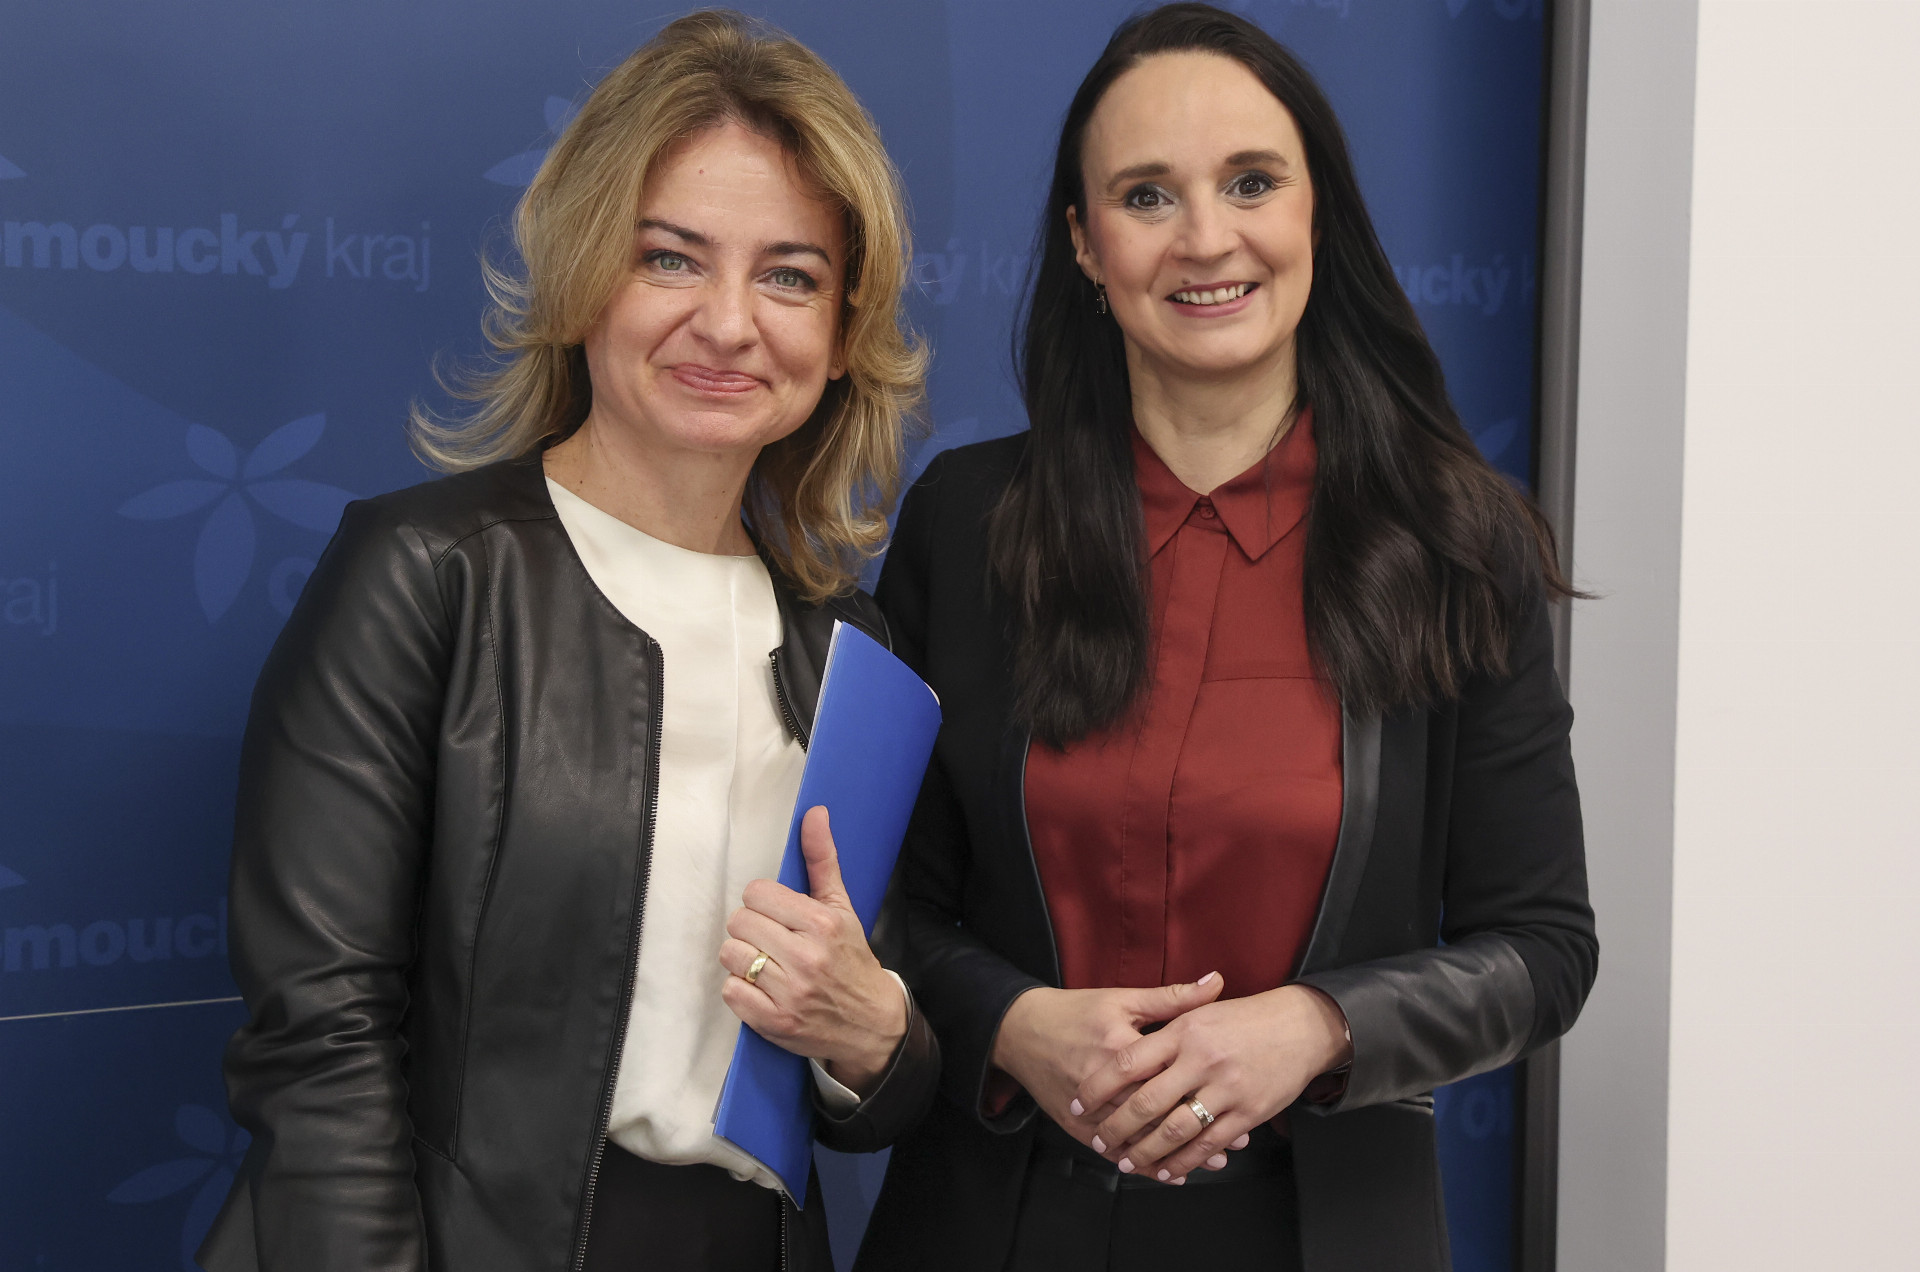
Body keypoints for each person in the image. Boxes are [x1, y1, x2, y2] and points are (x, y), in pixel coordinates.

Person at [858, 5, 1596, 1271]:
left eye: (1252, 182)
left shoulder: (1456, 543)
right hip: (991, 1224)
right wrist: (1018, 1023)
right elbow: (883, 903)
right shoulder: (967, 525)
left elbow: (1544, 947)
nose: (1206, 238)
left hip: (1322, 1231)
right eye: (1147, 195)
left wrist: (1317, 1026)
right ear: (1085, 244)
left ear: (1319, 214)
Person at [198, 12, 937, 1272]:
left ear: (840, 330)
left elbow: (874, 1089)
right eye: (671, 259)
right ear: (585, 276)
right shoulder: (425, 576)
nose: (729, 323)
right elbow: (320, 1041)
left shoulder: (845, 648)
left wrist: (877, 1038)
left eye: (789, 276)